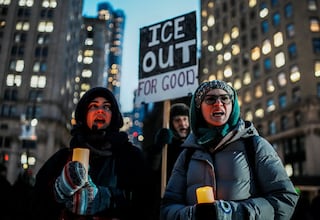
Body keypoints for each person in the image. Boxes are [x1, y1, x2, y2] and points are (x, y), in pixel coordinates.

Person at [160, 80, 299, 220]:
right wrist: (192, 214)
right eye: (210, 99)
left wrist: (232, 212)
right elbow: (167, 207)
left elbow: (285, 199)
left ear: (232, 105)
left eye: (225, 98)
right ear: (198, 108)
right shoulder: (187, 155)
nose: (218, 104)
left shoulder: (256, 146)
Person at [32, 87, 153, 220]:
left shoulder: (131, 157)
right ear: (84, 115)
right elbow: (36, 203)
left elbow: (147, 202)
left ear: (113, 116)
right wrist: (57, 191)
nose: (100, 110)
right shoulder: (62, 158)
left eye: (107, 107)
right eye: (93, 106)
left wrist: (106, 198)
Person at [145, 103, 190, 219]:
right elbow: (152, 168)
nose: (182, 124)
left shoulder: (195, 145)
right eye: (177, 120)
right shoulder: (165, 147)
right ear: (170, 123)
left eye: (185, 119)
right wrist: (159, 147)